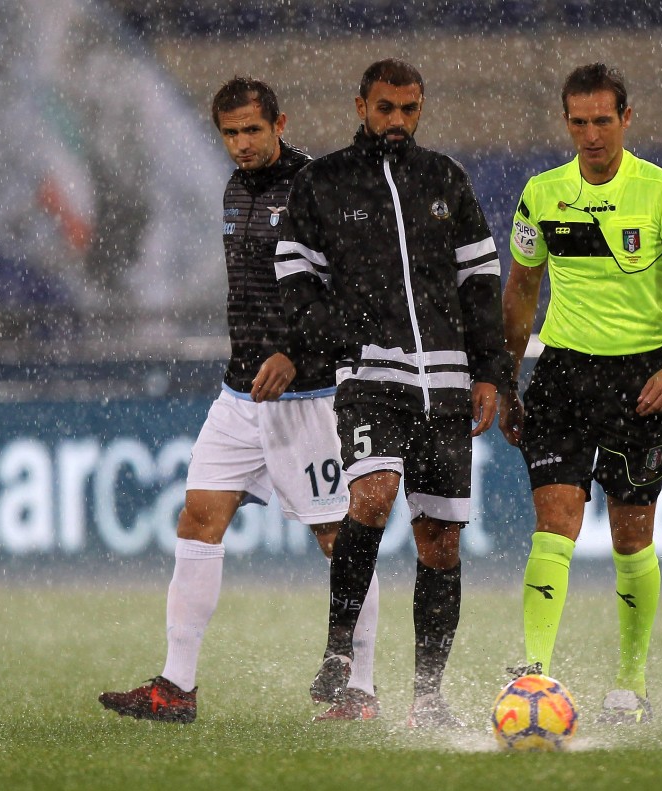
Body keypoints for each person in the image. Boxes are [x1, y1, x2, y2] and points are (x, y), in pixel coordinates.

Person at [98, 77, 381, 724]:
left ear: (279, 123)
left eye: (252, 130)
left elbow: (352, 295)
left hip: (308, 394)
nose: (242, 144)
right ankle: (176, 687)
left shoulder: (318, 187)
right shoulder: (234, 188)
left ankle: (359, 688)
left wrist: (293, 352)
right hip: (239, 391)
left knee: (340, 536)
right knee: (198, 518)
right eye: (229, 133)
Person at [274, 59, 510, 727]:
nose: (398, 121)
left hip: (446, 381)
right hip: (371, 378)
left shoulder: (446, 179)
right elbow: (295, 280)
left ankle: (428, 698)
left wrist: (490, 369)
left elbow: (480, 281)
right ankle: (338, 654)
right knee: (371, 496)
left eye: (409, 109)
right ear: (361, 106)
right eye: (386, 108)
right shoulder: (322, 182)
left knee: (440, 540)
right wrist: (344, 338)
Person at [499, 64, 662, 725]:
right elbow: (521, 289)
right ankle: (533, 669)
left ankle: (630, 678)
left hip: (640, 381)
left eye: (602, 120)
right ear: (565, 122)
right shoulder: (541, 193)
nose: (590, 134)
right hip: (563, 374)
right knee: (556, 521)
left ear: (627, 118)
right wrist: (509, 377)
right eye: (578, 121)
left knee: (630, 535)